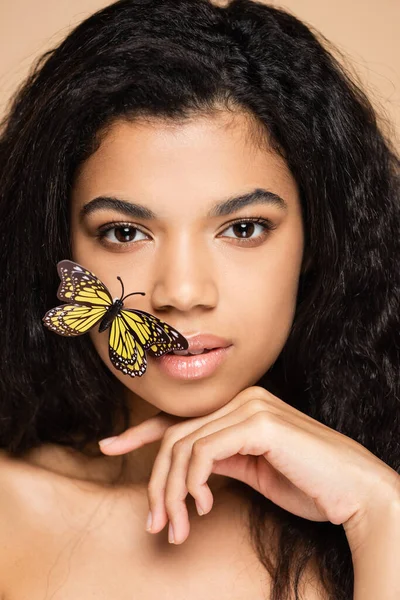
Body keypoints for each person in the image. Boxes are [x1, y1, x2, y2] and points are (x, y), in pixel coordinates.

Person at [0, 0, 398, 598]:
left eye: (242, 228)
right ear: (62, 250)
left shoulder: (372, 498)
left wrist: (380, 512)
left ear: (317, 239)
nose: (182, 293)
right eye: (125, 233)